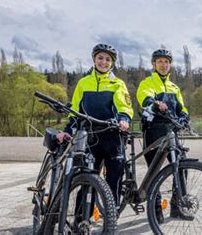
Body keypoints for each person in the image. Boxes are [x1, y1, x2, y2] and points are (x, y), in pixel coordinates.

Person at [56, 43, 133, 209]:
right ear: (94, 59)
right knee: (86, 177)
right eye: (100, 58)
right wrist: (67, 130)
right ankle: (81, 219)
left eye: (107, 59)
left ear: (112, 63)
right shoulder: (84, 83)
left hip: (113, 134)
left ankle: (112, 214)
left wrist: (124, 119)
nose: (103, 62)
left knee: (115, 174)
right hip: (91, 136)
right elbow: (75, 111)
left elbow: (124, 106)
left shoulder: (117, 84)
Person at [136, 48, 190, 224]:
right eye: (160, 61)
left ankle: (176, 206)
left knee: (181, 166)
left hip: (171, 131)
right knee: (154, 171)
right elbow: (144, 98)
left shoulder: (174, 87)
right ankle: (156, 208)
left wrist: (184, 117)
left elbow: (182, 108)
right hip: (153, 130)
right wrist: (154, 104)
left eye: (166, 62)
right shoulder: (148, 82)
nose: (164, 65)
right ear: (154, 64)